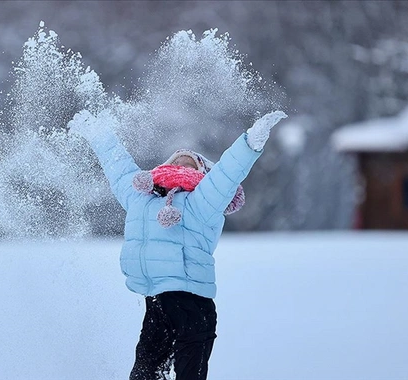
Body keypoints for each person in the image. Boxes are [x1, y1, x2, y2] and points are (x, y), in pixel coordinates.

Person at [67, 109, 287, 380]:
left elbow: (227, 174)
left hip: (193, 303)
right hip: (157, 302)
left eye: (190, 165)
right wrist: (98, 135)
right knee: (143, 374)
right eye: (176, 163)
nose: (182, 167)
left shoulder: (203, 201)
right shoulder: (141, 199)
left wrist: (250, 142)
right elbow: (119, 167)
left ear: (203, 174)